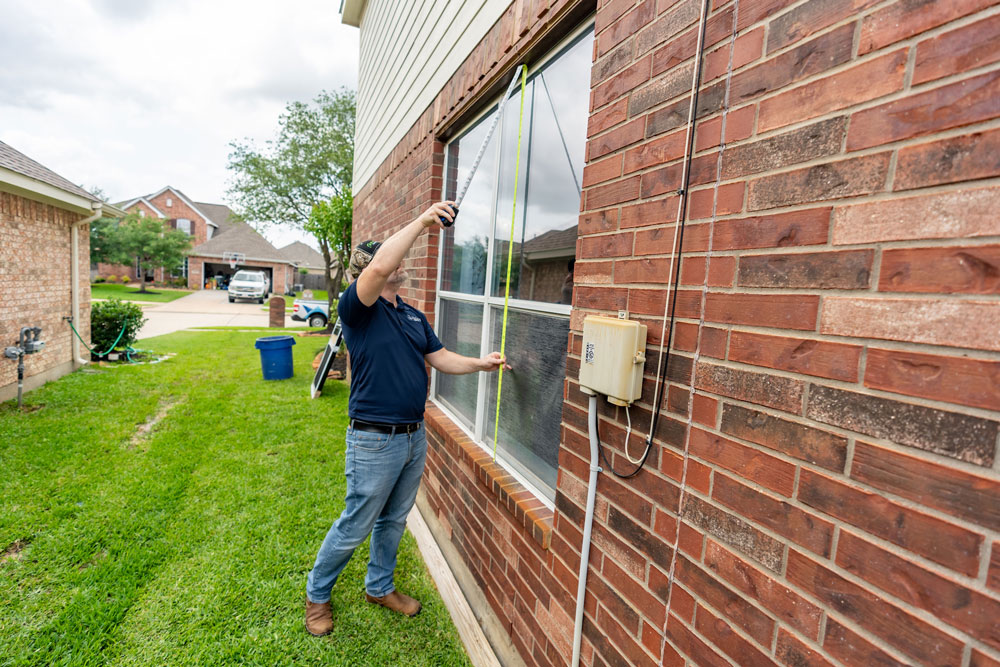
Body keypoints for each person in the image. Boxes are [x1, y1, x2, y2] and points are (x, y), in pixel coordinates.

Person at [305, 201, 509, 636]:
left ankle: (379, 586)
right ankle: (317, 594)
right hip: (373, 439)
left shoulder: (413, 315)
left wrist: (480, 364)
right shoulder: (357, 310)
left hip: (414, 436)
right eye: (387, 260)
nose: (397, 263)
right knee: (356, 524)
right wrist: (421, 220)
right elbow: (377, 269)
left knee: (394, 519)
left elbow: (441, 358)